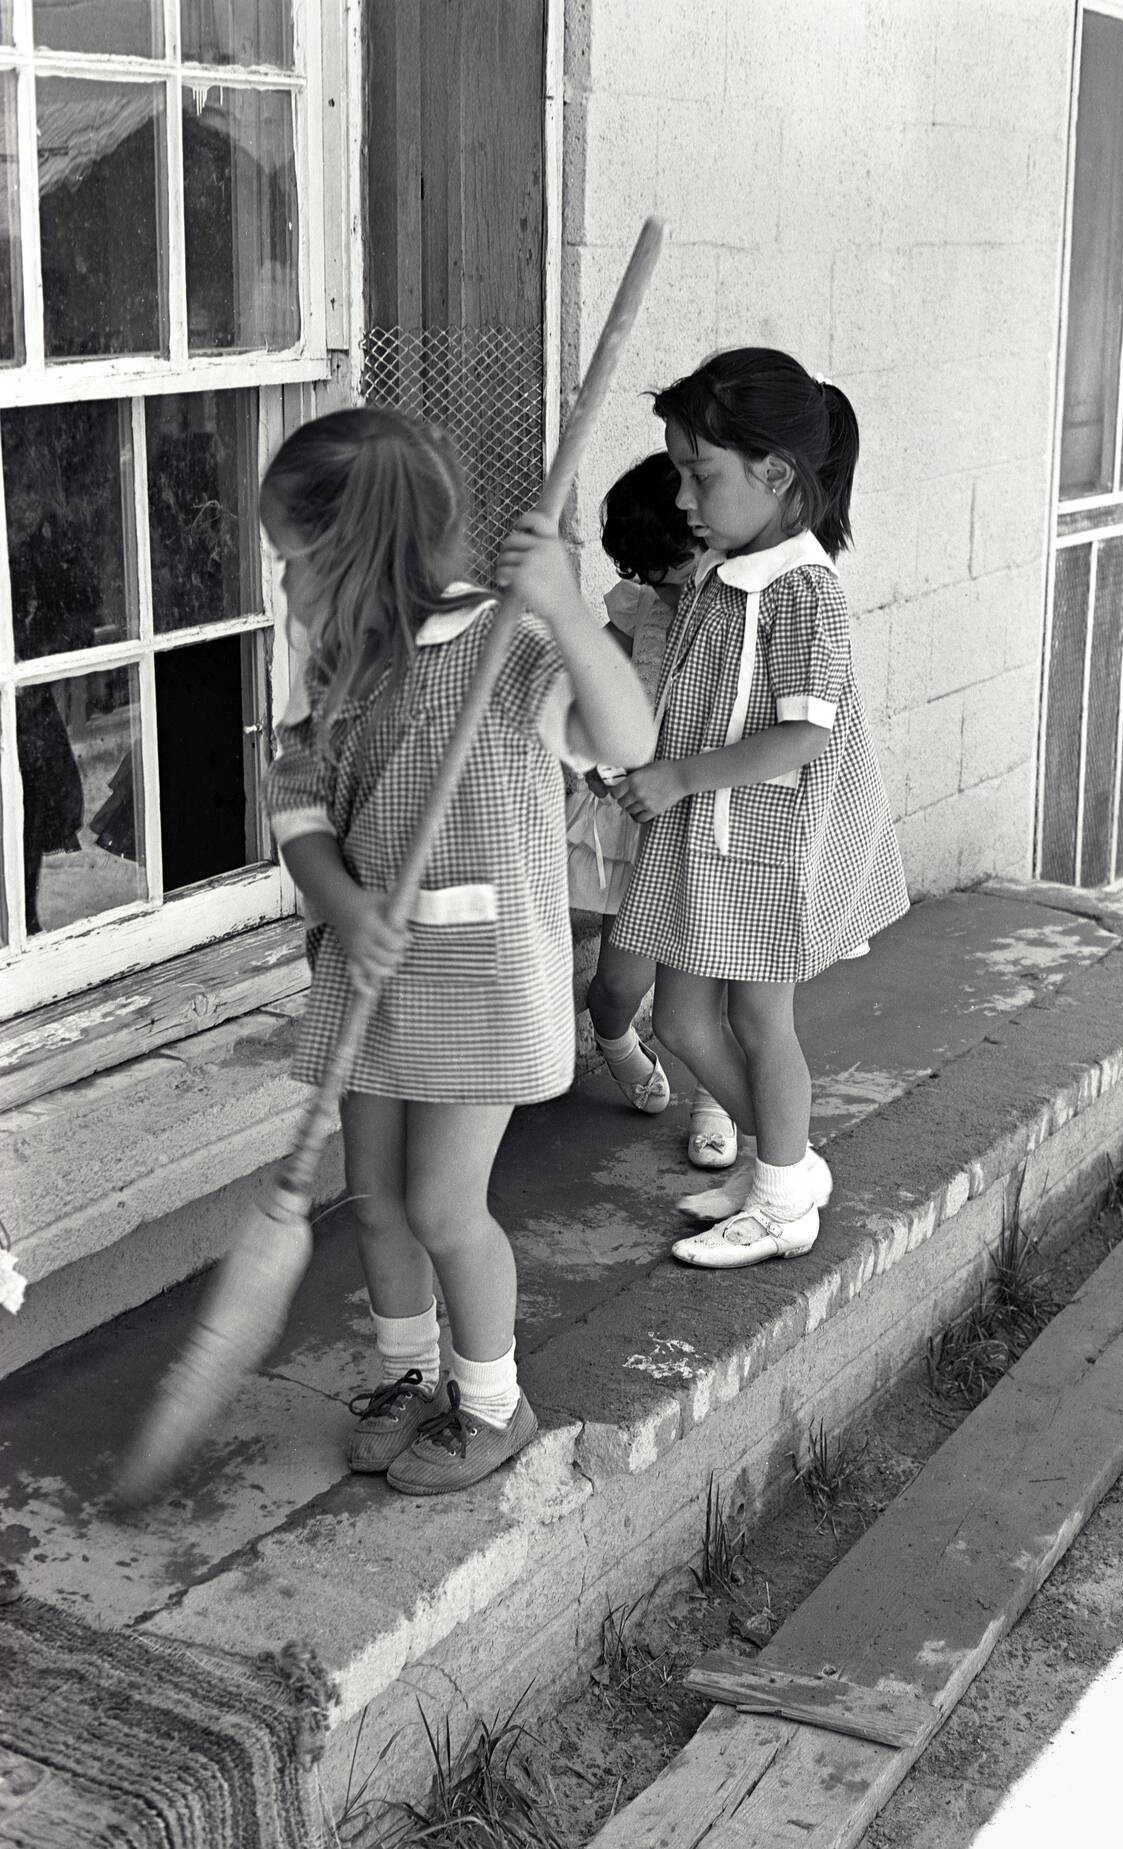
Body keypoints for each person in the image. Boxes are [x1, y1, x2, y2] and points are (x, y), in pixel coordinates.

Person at [262, 407, 655, 1492]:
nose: (286, 591)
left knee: (442, 1203)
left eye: (297, 565)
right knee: (376, 1196)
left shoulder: (515, 649)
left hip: (479, 980)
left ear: (360, 556)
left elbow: (628, 741)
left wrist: (569, 608)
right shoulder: (336, 664)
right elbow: (295, 804)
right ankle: (408, 1373)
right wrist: (340, 900)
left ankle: (491, 1401)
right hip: (367, 970)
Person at [608, 347, 909, 1268]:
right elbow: (686, 695)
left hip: (764, 851)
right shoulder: (720, 573)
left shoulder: (802, 591)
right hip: (707, 839)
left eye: (699, 475)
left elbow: (803, 735)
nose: (685, 500)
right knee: (682, 1021)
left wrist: (683, 777)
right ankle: (787, 1165)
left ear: (775, 473)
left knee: (759, 1021)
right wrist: (636, 762)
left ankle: (783, 1200)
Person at [568, 452, 737, 1171]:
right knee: (621, 980)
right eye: (653, 577)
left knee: (714, 969)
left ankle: (718, 1095)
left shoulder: (734, 607)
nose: (670, 591)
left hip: (714, 813)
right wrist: (592, 757)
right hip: (640, 815)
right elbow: (590, 689)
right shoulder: (641, 607)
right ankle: (613, 1037)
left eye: (678, 571)